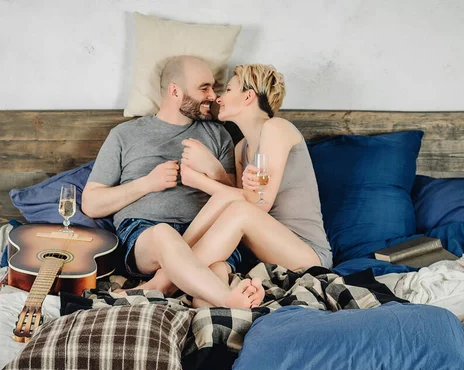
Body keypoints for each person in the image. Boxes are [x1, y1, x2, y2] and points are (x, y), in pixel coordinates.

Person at [140, 63, 332, 308]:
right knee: (217, 259)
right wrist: (214, 171)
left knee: (239, 211)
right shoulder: (241, 148)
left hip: (307, 253)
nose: (219, 98)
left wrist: (201, 181)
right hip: (265, 251)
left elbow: (259, 204)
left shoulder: (276, 129)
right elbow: (240, 195)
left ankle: (165, 280)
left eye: (228, 90)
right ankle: (194, 285)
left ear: (248, 96)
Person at [82, 55, 263, 309]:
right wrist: (147, 183)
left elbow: (234, 199)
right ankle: (222, 297)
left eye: (213, 87)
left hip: (210, 234)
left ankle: (169, 293)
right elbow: (91, 203)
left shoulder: (218, 134)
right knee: (165, 235)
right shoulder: (125, 135)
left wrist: (214, 169)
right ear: (175, 91)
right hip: (146, 233)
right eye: (204, 88)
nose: (213, 96)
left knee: (218, 270)